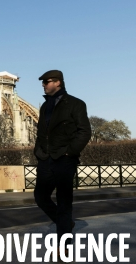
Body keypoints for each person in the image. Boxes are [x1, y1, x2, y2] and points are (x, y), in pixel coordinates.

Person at [33, 70, 91, 248]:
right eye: (43, 82)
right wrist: (38, 151)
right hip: (46, 158)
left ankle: (64, 244)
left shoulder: (76, 104)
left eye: (46, 81)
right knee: (40, 196)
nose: (43, 84)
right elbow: (42, 133)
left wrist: (70, 152)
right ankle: (65, 224)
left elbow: (85, 131)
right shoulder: (44, 106)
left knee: (64, 201)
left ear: (58, 82)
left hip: (65, 159)